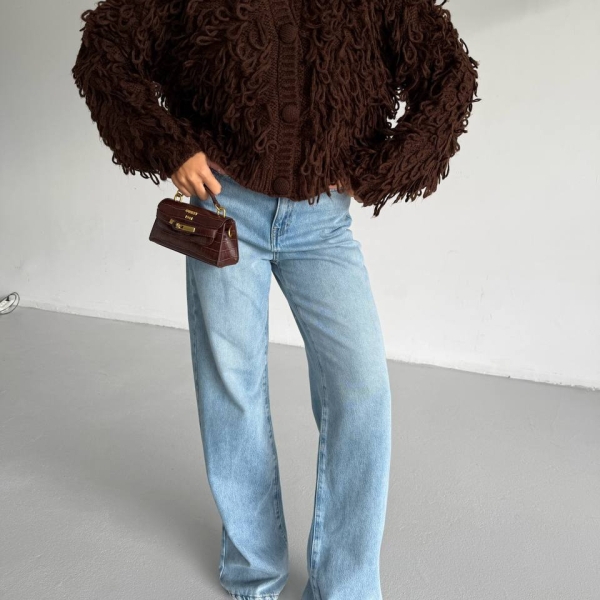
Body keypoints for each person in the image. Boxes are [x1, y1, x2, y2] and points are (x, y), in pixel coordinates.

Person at [72, 2, 479, 599]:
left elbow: (449, 74)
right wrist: (169, 146)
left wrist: (384, 168)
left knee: (362, 389)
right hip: (224, 204)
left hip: (323, 222)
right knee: (232, 386)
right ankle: (253, 576)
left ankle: (346, 587)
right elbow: (105, 49)